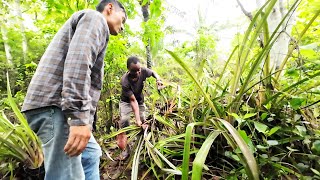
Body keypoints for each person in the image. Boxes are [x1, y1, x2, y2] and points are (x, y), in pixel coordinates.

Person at [21, 0, 127, 179]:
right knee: (66, 175)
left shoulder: (92, 24)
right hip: (56, 108)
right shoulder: (95, 19)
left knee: (91, 154)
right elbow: (79, 63)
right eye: (122, 19)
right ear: (110, 8)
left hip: (55, 107)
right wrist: (78, 120)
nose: (122, 27)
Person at [116, 56, 163, 151]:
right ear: (128, 70)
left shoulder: (142, 71)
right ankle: (127, 149)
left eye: (139, 70)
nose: (138, 73)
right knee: (125, 121)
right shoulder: (125, 81)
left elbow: (153, 72)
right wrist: (137, 120)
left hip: (139, 100)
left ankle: (143, 146)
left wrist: (158, 79)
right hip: (126, 102)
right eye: (135, 71)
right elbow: (133, 101)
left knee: (144, 121)